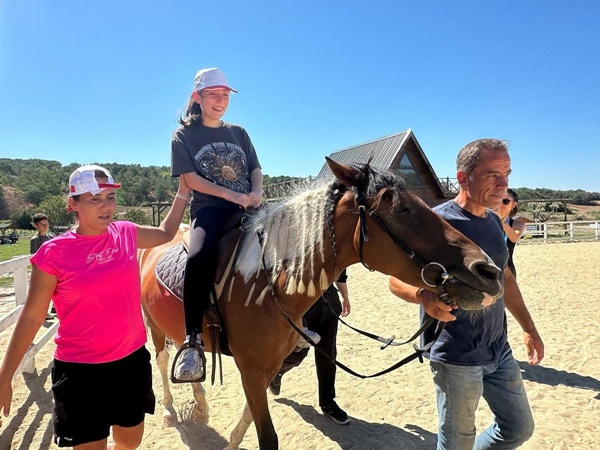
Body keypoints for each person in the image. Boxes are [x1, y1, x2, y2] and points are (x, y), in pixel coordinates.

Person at [0, 165, 191, 449]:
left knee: (129, 442)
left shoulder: (125, 233)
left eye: (110, 198)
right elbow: (31, 316)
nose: (106, 206)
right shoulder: (53, 253)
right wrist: (5, 377)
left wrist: (183, 192)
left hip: (131, 363)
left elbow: (165, 232)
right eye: (94, 199)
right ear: (72, 204)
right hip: (81, 374)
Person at [389, 139, 544, 450]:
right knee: (456, 441)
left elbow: (506, 279)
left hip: (497, 348)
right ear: (463, 177)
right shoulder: (435, 222)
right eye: (492, 175)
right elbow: (394, 279)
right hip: (455, 355)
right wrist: (423, 296)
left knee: (518, 428)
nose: (504, 185)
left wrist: (529, 329)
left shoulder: (493, 222)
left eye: (507, 174)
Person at [170, 67, 263, 382]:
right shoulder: (184, 135)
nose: (220, 100)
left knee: (281, 246)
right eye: (213, 95)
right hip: (210, 208)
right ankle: (192, 339)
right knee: (198, 257)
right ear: (198, 97)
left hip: (246, 206)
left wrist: (256, 192)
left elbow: (255, 168)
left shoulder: (239, 132)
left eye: (225, 95)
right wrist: (228, 194)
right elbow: (191, 179)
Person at [269, 270, 352, 425]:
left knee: (328, 355)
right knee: (297, 353)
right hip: (303, 305)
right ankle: (277, 372)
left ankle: (328, 403)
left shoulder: (336, 246)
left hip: (329, 302)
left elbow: (340, 272)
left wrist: (344, 296)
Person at [496, 188, 526, 278]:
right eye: (498, 200)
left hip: (507, 271)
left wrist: (502, 221)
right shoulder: (485, 222)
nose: (500, 204)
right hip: (487, 270)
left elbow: (514, 238)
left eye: (505, 201)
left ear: (513, 204)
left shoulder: (518, 224)